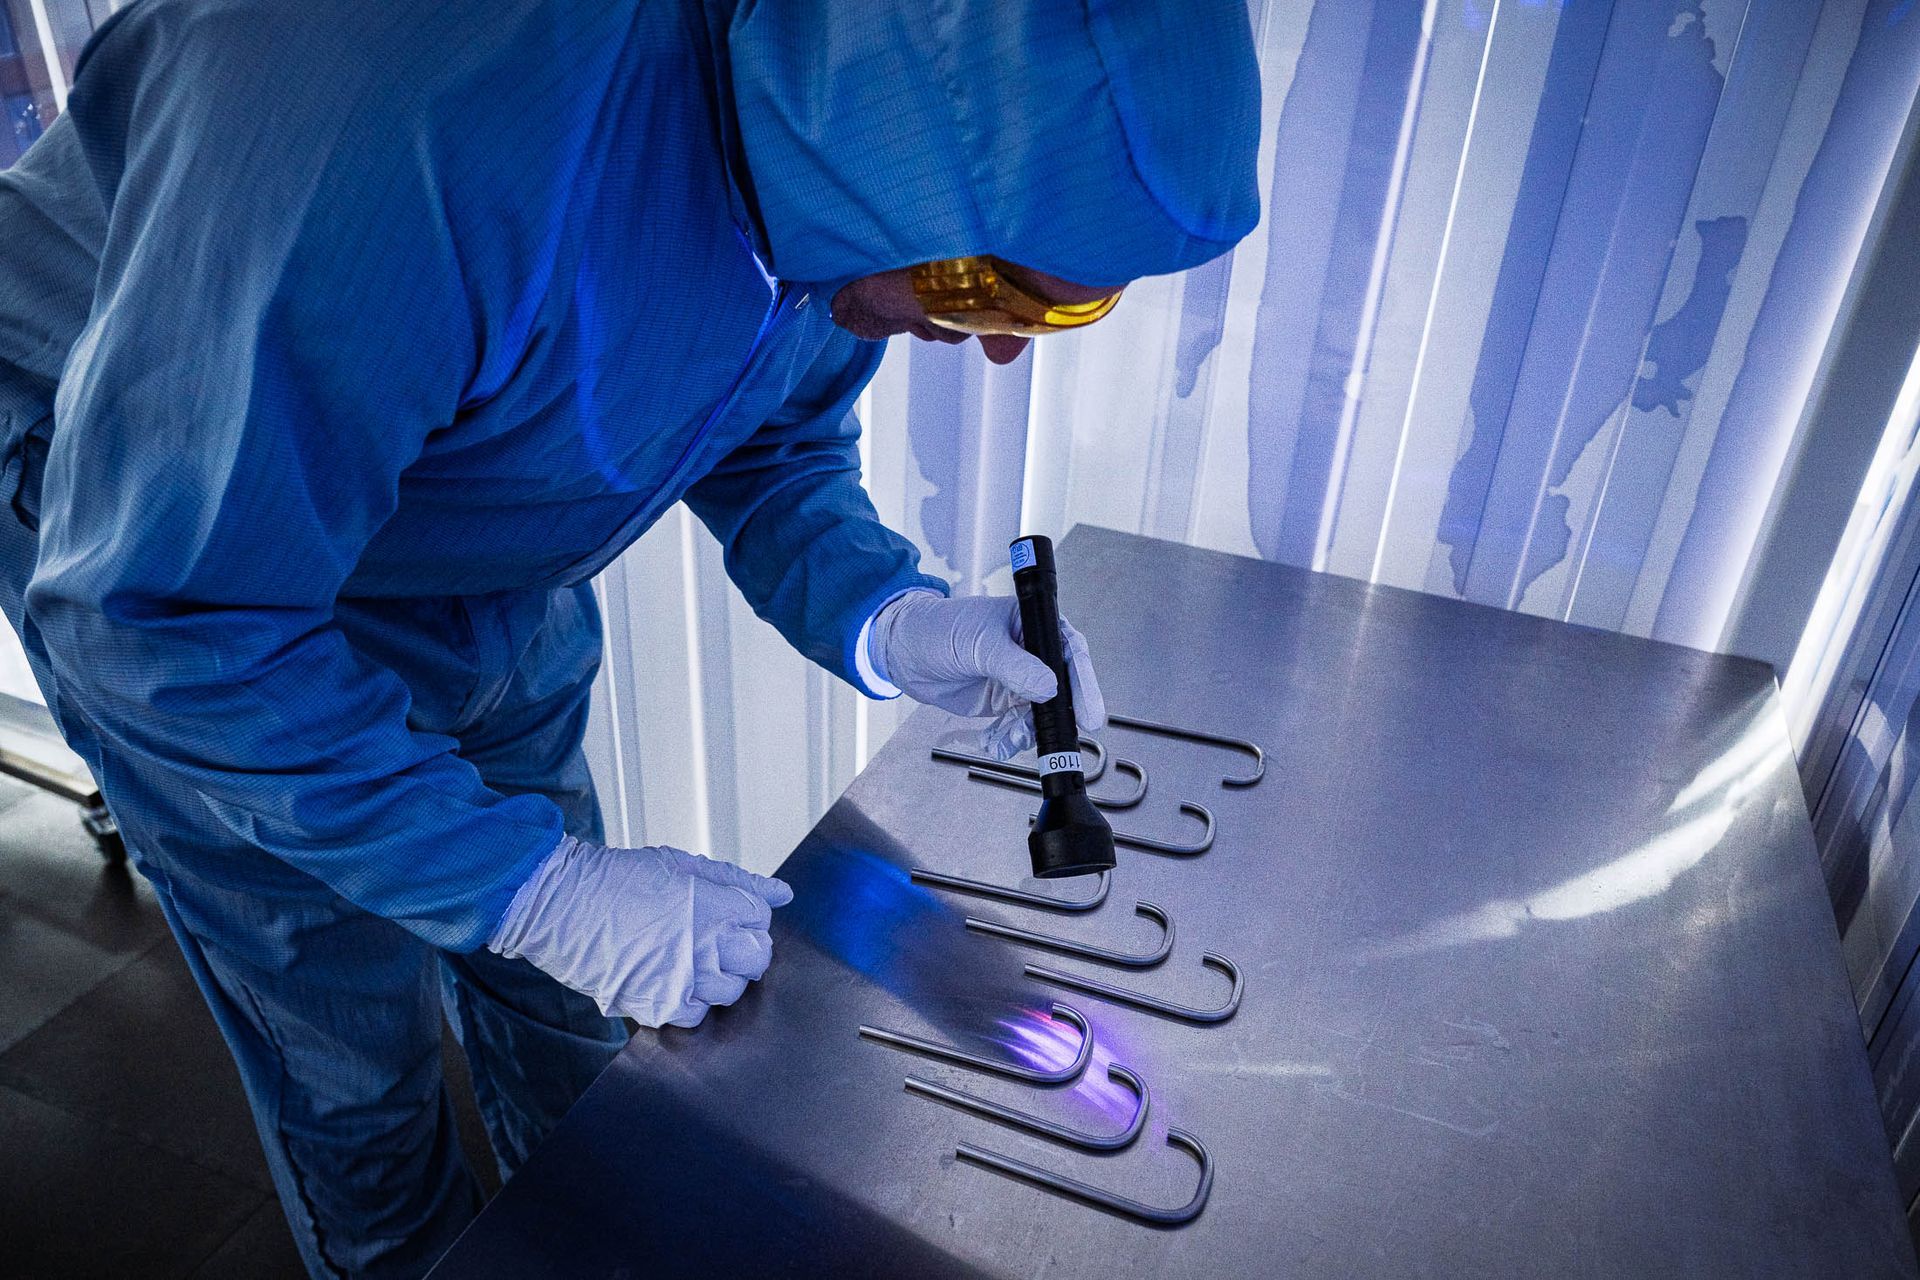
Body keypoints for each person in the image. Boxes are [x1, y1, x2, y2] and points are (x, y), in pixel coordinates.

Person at [0, 0, 1260, 1274]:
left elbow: (766, 429)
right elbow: (169, 619)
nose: (992, 344)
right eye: (988, 287)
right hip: (166, 514)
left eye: (1056, 312)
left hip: (459, 529)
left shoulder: (840, 162)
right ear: (882, 136)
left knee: (563, 989)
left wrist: (891, 617)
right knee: (348, 1040)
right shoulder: (410, 121)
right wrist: (528, 888)